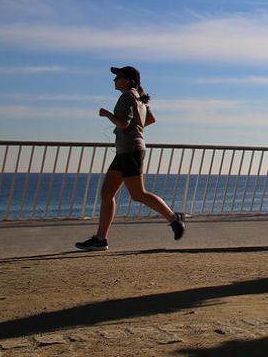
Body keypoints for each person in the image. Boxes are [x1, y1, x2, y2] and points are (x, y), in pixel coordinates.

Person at [75, 65, 186, 251]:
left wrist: (107, 114)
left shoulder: (127, 97)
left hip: (130, 150)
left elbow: (124, 124)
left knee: (138, 194)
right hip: (125, 151)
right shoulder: (139, 98)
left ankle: (174, 219)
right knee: (107, 193)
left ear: (128, 80)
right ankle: (100, 239)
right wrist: (137, 129)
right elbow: (150, 119)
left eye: (118, 77)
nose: (114, 80)